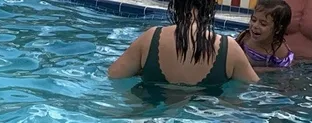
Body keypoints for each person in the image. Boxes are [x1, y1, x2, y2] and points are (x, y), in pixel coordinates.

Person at [107, 0, 259, 84]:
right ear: (211, 7)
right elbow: (253, 87)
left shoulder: (151, 38)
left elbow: (114, 75)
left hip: (150, 121)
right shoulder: (229, 48)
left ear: (175, 5)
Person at [238, 0, 296, 67]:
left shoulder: (279, 51)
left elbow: (282, 70)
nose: (255, 25)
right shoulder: (245, 37)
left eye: (263, 24)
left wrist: (258, 70)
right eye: (253, 20)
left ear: (277, 29)